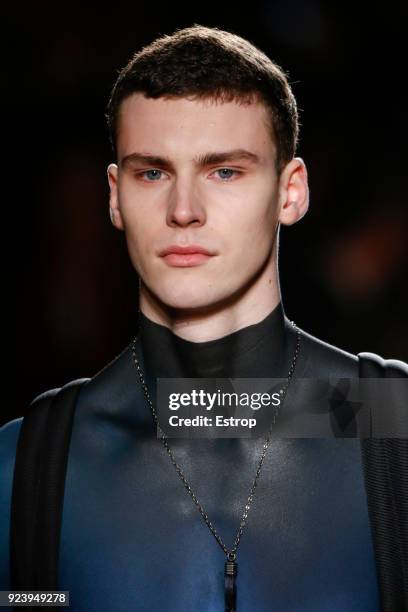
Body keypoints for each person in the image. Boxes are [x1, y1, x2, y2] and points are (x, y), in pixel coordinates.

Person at [1, 24, 407, 612]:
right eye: (152, 173)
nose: (183, 210)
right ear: (115, 197)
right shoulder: (30, 471)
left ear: (290, 192)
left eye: (224, 171)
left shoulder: (390, 428)